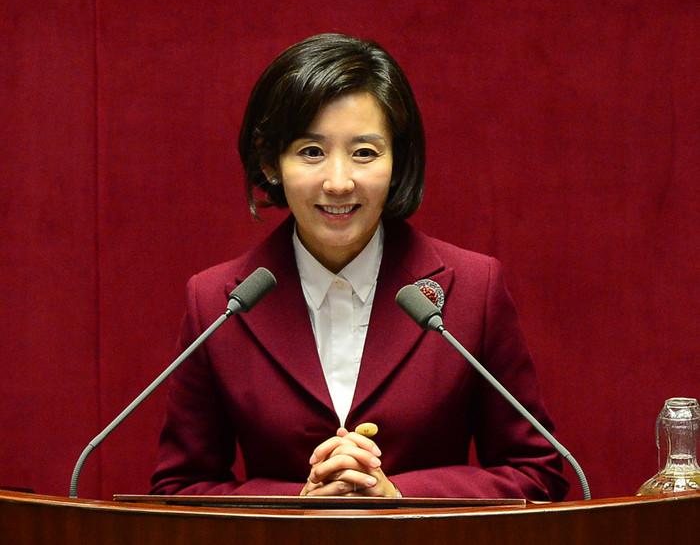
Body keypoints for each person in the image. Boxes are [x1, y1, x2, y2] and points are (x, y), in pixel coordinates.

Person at [150, 33, 569, 500]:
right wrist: (296, 504)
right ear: (270, 162)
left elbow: (539, 474)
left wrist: (398, 497)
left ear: (398, 161)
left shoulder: (473, 288)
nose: (338, 182)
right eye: (311, 152)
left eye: (364, 152)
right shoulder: (217, 303)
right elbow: (180, 489)